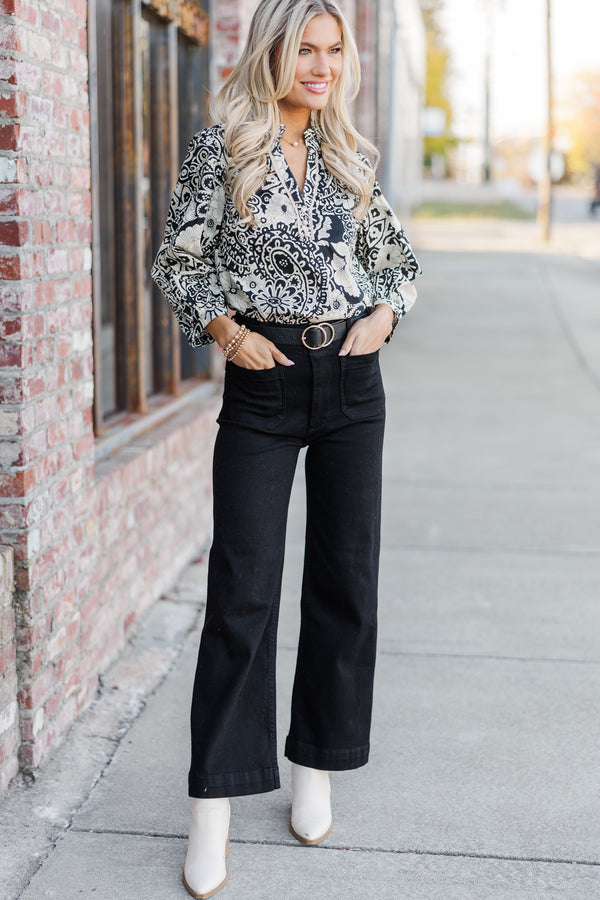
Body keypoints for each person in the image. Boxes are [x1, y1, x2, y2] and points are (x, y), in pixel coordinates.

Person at [152, 1, 421, 896]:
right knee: (242, 593)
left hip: (350, 382)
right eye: (305, 49)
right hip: (263, 384)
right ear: (272, 52)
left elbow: (398, 264)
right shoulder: (223, 147)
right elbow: (178, 261)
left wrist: (384, 316)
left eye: (332, 51)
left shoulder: (350, 156)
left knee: (346, 582)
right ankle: (215, 807)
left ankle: (315, 764)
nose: (320, 65)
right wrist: (226, 335)